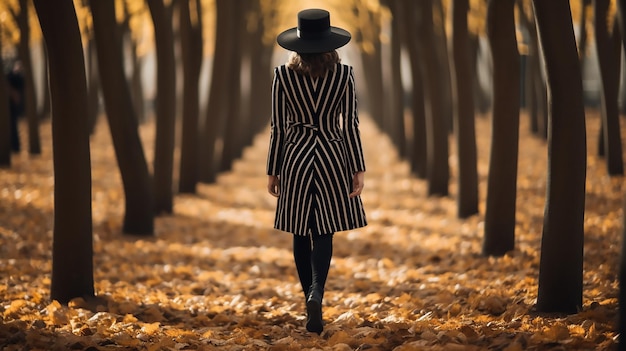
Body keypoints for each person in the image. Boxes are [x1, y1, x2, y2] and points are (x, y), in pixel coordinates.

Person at [266, 9, 367, 335]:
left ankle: (306, 294)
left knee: (299, 229)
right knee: (324, 229)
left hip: (295, 156)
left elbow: (278, 128)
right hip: (331, 156)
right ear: (329, 43)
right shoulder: (344, 75)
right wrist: (358, 167)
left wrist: (273, 169)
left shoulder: (283, 76)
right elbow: (350, 125)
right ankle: (317, 292)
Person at [6, 60, 24, 152]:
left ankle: (15, 147)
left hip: (13, 106)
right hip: (10, 105)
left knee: (14, 125)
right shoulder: (10, 76)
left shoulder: (19, 78)